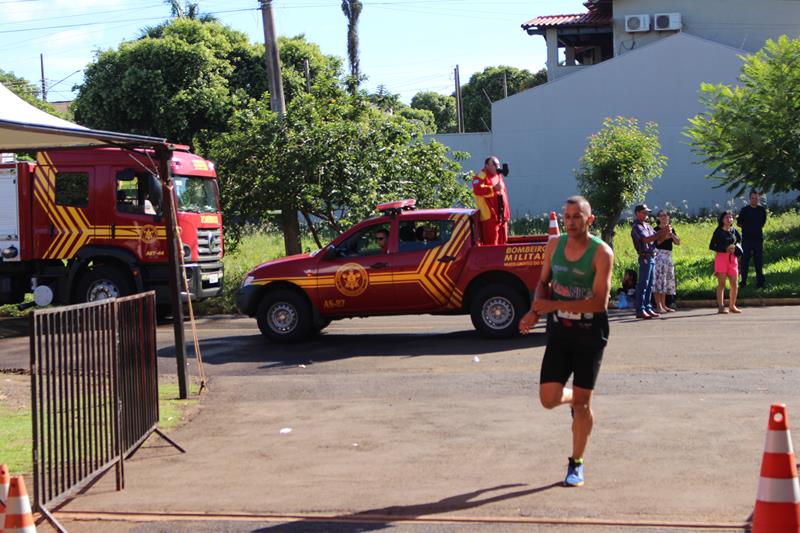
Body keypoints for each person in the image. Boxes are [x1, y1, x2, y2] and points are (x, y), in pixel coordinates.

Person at [518, 195, 613, 488]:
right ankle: (576, 397)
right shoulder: (554, 246)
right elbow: (543, 283)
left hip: (589, 334)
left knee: (584, 407)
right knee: (548, 400)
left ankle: (576, 462)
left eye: (577, 216)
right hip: (560, 333)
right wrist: (535, 311)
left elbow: (600, 303)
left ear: (589, 219)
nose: (570, 222)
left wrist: (552, 308)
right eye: (566, 216)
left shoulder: (601, 253)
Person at [630, 204, 669, 319]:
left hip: (652, 256)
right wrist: (660, 232)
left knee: (650, 284)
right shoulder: (636, 227)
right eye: (644, 212)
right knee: (643, 284)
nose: (646, 214)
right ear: (637, 213)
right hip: (644, 257)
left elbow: (657, 241)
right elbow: (646, 239)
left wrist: (665, 233)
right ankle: (640, 309)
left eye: (647, 212)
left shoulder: (648, 226)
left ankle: (647, 307)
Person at [709, 210, 742, 314]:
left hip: (733, 259)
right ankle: (721, 306)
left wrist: (735, 249)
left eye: (731, 217)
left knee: (734, 283)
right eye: (727, 217)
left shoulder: (734, 231)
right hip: (721, 258)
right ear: (722, 220)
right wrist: (725, 249)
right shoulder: (718, 231)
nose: (729, 219)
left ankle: (732, 305)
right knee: (722, 283)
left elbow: (739, 241)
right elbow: (712, 246)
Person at [472, 156, 509, 245]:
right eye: (495, 165)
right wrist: (493, 188)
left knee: (502, 241)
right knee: (491, 243)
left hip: (501, 216)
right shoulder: (481, 176)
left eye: (498, 164)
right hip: (490, 217)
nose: (497, 167)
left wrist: (506, 214)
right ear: (487, 166)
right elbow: (477, 190)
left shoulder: (498, 176)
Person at [737, 190, 767, 289]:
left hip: (758, 239)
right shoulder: (744, 210)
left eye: (756, 198)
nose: (754, 200)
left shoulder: (761, 210)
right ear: (749, 199)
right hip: (746, 239)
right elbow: (739, 223)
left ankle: (760, 282)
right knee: (745, 261)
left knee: (758, 261)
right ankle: (743, 282)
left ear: (758, 199)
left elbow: (762, 223)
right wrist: (747, 227)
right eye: (752, 198)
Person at [653, 210, 681, 313]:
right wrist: (665, 237)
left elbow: (678, 242)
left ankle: (664, 305)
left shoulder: (671, 228)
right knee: (658, 281)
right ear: (659, 218)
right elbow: (656, 243)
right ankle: (658, 305)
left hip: (668, 256)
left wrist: (672, 235)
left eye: (666, 215)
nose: (664, 217)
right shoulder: (655, 229)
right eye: (662, 216)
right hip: (659, 255)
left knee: (665, 281)